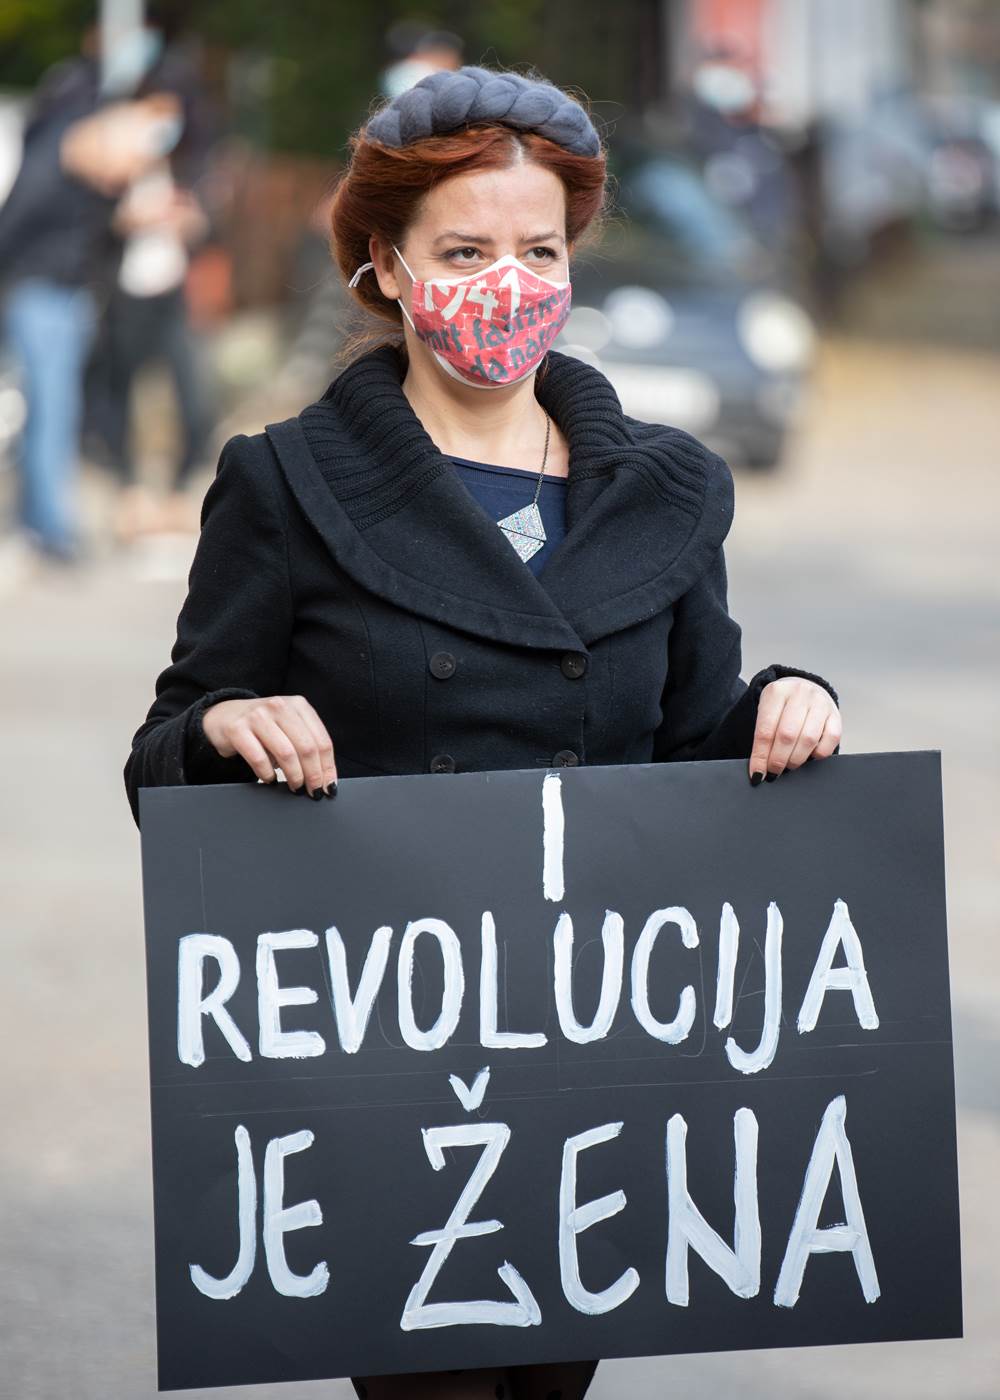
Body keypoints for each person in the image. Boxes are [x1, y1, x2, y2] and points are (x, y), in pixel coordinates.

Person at [124, 64, 841, 1400]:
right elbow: (163, 754)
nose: (506, 282)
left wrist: (784, 712)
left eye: (538, 249)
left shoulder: (671, 493)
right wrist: (228, 722)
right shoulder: (284, 487)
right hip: (387, 1084)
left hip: (591, 1076)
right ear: (386, 269)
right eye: (464, 251)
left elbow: (695, 740)